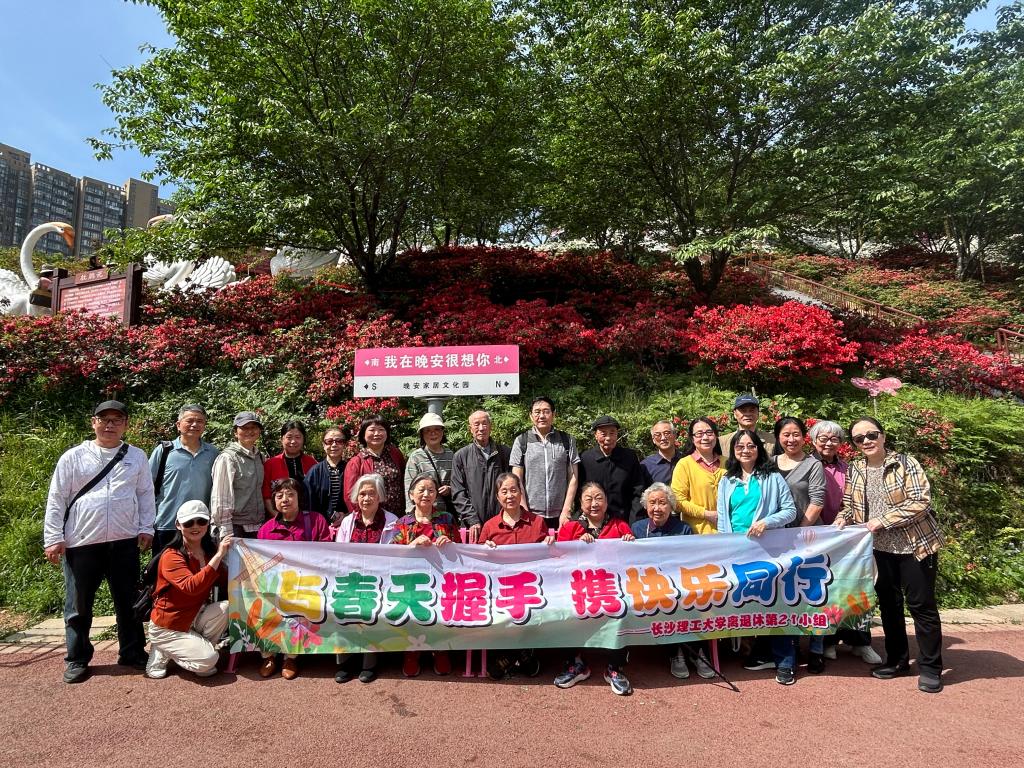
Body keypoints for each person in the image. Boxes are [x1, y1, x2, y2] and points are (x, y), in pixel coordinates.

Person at [42, 400, 155, 684]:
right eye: (104, 419)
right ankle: (77, 658)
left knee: (128, 602)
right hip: (82, 543)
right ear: (93, 422)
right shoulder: (73, 457)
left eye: (117, 420)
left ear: (126, 425)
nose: (110, 425)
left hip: (124, 540)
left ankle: (132, 652)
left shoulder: (137, 456)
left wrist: (146, 528)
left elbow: (145, 494)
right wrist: (53, 538)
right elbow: (57, 498)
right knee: (78, 605)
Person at [836, 417, 945, 694]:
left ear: (883, 436)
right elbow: (849, 504)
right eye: (859, 438)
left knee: (922, 607)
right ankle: (897, 661)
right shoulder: (856, 469)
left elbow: (920, 502)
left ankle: (931, 667)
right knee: (889, 605)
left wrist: (882, 521)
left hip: (915, 547)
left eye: (871, 435)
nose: (866, 441)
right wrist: (843, 518)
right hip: (878, 550)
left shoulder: (906, 463)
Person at [716, 430, 798, 684]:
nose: (745, 450)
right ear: (733, 451)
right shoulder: (727, 480)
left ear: (758, 449)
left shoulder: (772, 477)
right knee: (749, 603)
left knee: (776, 604)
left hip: (768, 551)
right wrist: (724, 548)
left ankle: (785, 662)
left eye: (750, 445)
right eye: (740, 446)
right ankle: (761, 653)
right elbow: (723, 519)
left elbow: (790, 511)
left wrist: (767, 522)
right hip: (737, 552)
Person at [809, 419, 881, 665]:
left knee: (854, 588)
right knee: (826, 590)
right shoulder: (806, 465)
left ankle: (861, 642)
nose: (829, 443)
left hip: (848, 537)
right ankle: (829, 641)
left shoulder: (849, 468)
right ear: (813, 441)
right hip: (818, 538)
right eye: (823, 438)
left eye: (835, 439)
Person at [554, 482, 635, 695]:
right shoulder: (571, 528)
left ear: (607, 502)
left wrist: (629, 543)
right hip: (577, 588)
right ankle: (576, 664)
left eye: (599, 498)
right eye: (588, 499)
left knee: (622, 608)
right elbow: (559, 560)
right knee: (567, 609)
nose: (594, 503)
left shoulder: (620, 526)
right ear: (580, 503)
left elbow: (632, 561)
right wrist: (577, 545)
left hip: (612, 588)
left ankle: (615, 668)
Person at [631, 483, 714, 680]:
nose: (657, 508)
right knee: (664, 601)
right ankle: (675, 653)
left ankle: (698, 652)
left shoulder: (683, 528)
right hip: (651, 584)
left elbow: (691, 561)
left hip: (680, 582)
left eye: (662, 503)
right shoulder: (637, 528)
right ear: (645, 506)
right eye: (652, 503)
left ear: (671, 506)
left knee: (693, 599)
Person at [256, 477, 333, 680]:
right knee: (259, 604)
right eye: (279, 496)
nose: (285, 499)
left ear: (300, 498)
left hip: (308, 583)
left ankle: (290, 657)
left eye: (290, 494)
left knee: (300, 605)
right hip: (276, 585)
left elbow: (327, 553)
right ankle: (268, 656)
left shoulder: (316, 521)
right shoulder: (266, 529)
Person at [145, 500, 232, 680]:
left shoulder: (208, 552)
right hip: (168, 624)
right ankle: (163, 648)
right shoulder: (171, 556)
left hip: (194, 615)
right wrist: (219, 556)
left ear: (208, 523)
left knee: (226, 608)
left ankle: (192, 649)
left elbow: (226, 579)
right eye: (189, 522)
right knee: (209, 661)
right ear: (178, 525)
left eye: (201, 521)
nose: (195, 526)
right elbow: (191, 587)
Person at [480, 472, 554, 679]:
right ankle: (522, 653)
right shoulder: (490, 526)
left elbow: (548, 559)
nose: (509, 495)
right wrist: (485, 548)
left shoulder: (537, 522)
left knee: (531, 606)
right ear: (497, 497)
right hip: (500, 589)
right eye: (504, 491)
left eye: (514, 490)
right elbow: (477, 563)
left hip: (531, 587)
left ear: (521, 493)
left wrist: (548, 545)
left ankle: (512, 655)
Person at [771, 416, 827, 673]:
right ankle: (790, 645)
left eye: (796, 434)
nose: (791, 439)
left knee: (813, 593)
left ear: (804, 436)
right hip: (777, 540)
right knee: (784, 594)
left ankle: (816, 648)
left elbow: (817, 501)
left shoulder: (813, 464)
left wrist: (799, 532)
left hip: (807, 537)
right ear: (778, 437)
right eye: (786, 434)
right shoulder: (770, 463)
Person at [393, 474, 461, 677]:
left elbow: (461, 550)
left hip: (441, 578)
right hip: (411, 580)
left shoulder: (446, 519)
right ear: (411, 495)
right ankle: (411, 652)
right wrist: (412, 545)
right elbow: (393, 556)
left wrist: (450, 544)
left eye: (431, 490)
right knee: (412, 604)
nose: (426, 494)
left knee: (443, 603)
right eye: (421, 490)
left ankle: (440, 649)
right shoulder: (403, 522)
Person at [149, 404, 219, 555]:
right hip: (167, 523)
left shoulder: (213, 453)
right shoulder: (164, 451)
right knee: (164, 567)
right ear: (178, 425)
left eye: (199, 421)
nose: (194, 425)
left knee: (199, 567)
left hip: (200, 524)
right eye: (190, 420)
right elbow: (146, 487)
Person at [510, 396, 580, 531]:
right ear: (531, 416)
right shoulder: (521, 441)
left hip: (560, 514)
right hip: (531, 514)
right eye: (537, 412)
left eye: (546, 411)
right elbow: (517, 479)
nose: (541, 416)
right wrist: (524, 511)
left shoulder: (567, 440)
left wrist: (566, 509)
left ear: (553, 414)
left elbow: (573, 477)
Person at [451, 409, 512, 543]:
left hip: (502, 522)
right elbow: (458, 492)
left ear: (490, 426)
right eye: (476, 424)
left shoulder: (504, 453)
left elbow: (512, 488)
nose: (481, 428)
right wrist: (472, 519)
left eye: (484, 423)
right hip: (473, 526)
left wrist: (506, 516)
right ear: (470, 429)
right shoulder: (461, 456)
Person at [577, 415, 645, 523]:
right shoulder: (585, 458)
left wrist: (635, 521)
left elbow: (638, 491)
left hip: (623, 520)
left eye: (612, 433)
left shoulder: (629, 457)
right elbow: (579, 492)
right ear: (595, 435)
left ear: (617, 434)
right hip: (592, 521)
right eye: (603, 434)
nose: (608, 438)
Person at [210, 411, 266, 539]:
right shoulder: (228, 458)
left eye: (254, 427)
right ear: (235, 432)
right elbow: (220, 496)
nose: (249, 431)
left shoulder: (260, 457)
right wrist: (225, 530)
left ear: (259, 431)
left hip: (257, 525)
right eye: (244, 428)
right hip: (235, 526)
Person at [671, 417, 726, 534]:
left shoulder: (728, 463)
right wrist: (706, 514)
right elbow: (678, 501)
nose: (705, 437)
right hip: (696, 534)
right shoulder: (684, 465)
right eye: (699, 434)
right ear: (692, 438)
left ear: (716, 436)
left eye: (709, 433)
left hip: (729, 532)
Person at [343, 415, 406, 517]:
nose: (377, 433)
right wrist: (363, 517)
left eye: (381, 429)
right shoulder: (356, 462)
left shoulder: (395, 454)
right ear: (363, 434)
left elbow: (405, 481)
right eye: (372, 430)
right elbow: (349, 496)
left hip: (399, 516)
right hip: (372, 518)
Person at [403, 412, 455, 515]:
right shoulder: (416, 457)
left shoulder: (451, 455)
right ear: (422, 434)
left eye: (437, 429)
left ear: (442, 432)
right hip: (423, 513)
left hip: (446, 513)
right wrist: (411, 513)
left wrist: (449, 489)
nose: (433, 433)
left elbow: (458, 483)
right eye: (428, 431)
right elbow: (409, 487)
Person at [261, 419, 317, 514]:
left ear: (303, 439)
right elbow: (266, 496)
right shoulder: (270, 464)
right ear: (282, 439)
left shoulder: (312, 463)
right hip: (279, 516)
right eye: (289, 437)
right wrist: (278, 517)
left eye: (298, 437)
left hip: (308, 516)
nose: (293, 441)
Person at [305, 425, 348, 524]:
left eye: (339, 441)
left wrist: (347, 515)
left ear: (344, 444)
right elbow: (308, 503)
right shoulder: (314, 471)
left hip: (346, 524)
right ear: (324, 445)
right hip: (319, 525)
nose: (334, 445)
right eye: (329, 441)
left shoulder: (350, 469)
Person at [640, 420, 682, 486]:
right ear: (653, 440)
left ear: (675, 435)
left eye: (666, 433)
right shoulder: (646, 466)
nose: (663, 438)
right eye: (658, 435)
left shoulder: (686, 460)